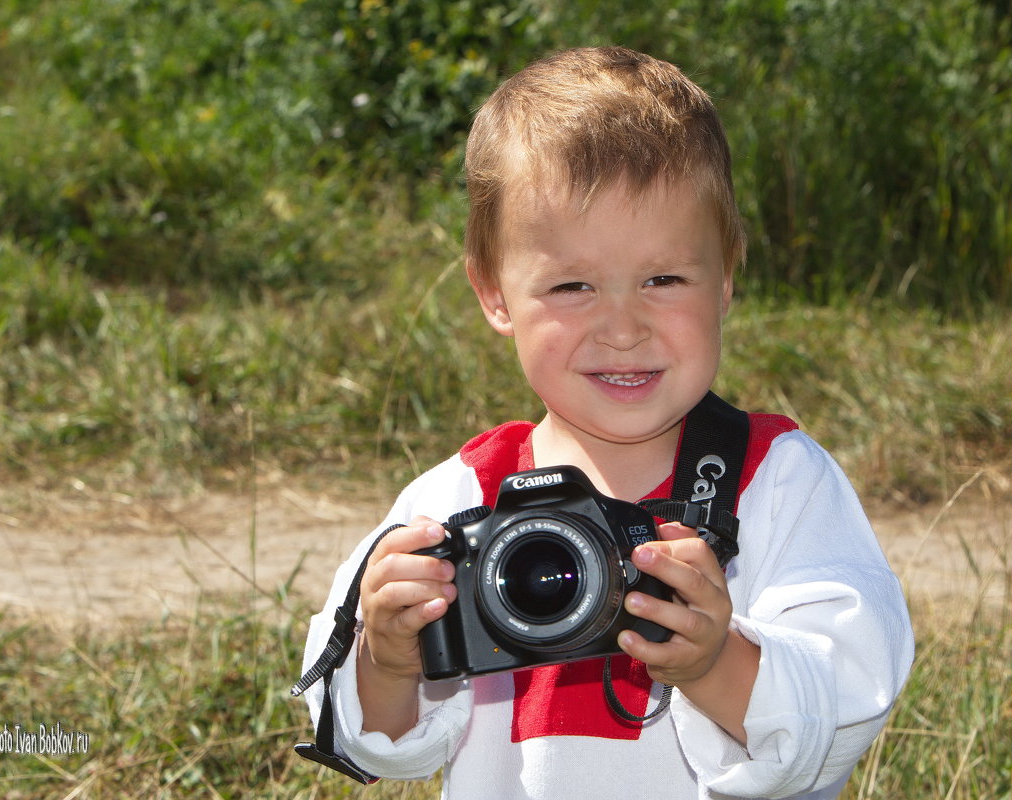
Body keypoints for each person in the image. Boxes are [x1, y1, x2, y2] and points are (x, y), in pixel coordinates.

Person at [300, 46, 913, 799]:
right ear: (493, 292)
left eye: (663, 279)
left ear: (725, 275)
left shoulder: (778, 479)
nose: (622, 328)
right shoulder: (456, 502)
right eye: (571, 285)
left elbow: (847, 705)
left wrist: (714, 663)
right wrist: (387, 658)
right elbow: (380, 749)